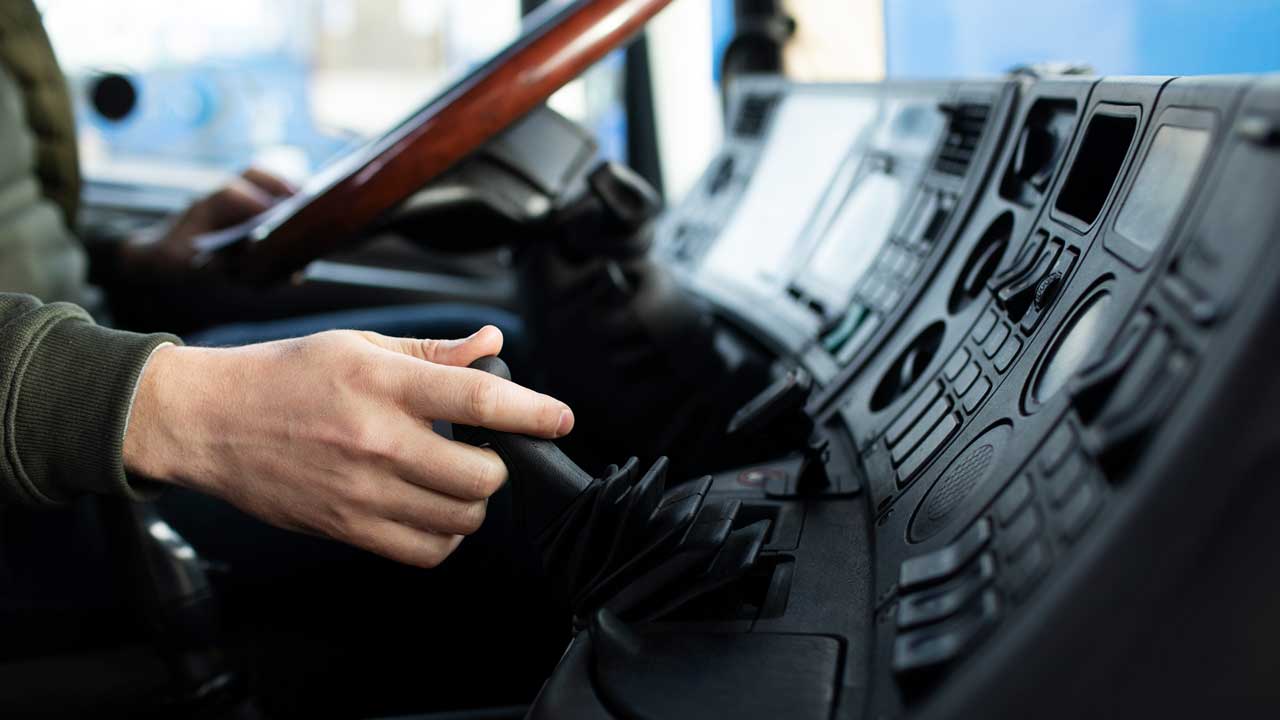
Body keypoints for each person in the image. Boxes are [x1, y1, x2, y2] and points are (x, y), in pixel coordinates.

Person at [0, 0, 573, 569]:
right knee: (506, 485)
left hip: (84, 355)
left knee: (494, 376)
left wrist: (136, 258)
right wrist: (187, 413)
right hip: (39, 482)